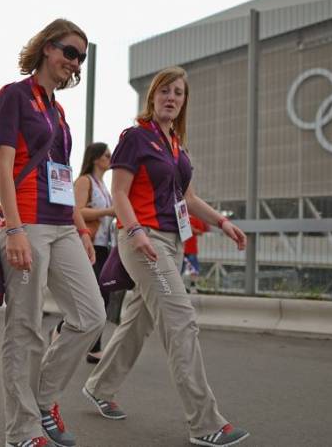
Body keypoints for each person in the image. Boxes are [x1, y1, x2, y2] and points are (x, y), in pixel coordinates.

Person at [82, 67, 250, 447]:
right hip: (144, 240)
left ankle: (98, 385)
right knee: (181, 321)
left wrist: (223, 222)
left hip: (171, 242)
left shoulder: (177, 147)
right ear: (153, 97)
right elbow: (120, 193)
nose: (171, 97)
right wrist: (136, 231)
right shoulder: (135, 138)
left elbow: (188, 200)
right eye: (164, 91)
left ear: (184, 102)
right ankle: (205, 422)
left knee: (137, 322)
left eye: (178, 93)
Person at [0, 18, 106, 447]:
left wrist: (79, 227)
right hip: (28, 224)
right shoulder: (14, 95)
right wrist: (15, 227)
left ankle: (42, 400)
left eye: (81, 57)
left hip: (61, 225)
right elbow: (4, 166)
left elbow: (59, 173)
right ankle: (20, 432)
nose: (74, 62)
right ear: (46, 48)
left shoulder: (57, 110)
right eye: (69, 51)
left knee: (91, 315)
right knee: (24, 327)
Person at [51, 142, 115, 364]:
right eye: (107, 155)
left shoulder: (103, 185)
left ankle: (93, 345)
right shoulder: (84, 181)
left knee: (104, 295)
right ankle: (62, 330)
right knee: (91, 295)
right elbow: (75, 210)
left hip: (104, 244)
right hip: (89, 244)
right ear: (96, 158)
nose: (111, 158)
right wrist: (108, 211)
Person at [182, 214, 209, 293]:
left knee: (193, 268)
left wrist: (192, 229)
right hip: (181, 248)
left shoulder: (196, 218)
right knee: (180, 268)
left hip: (191, 249)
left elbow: (201, 232)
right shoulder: (181, 217)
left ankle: (192, 286)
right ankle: (182, 287)